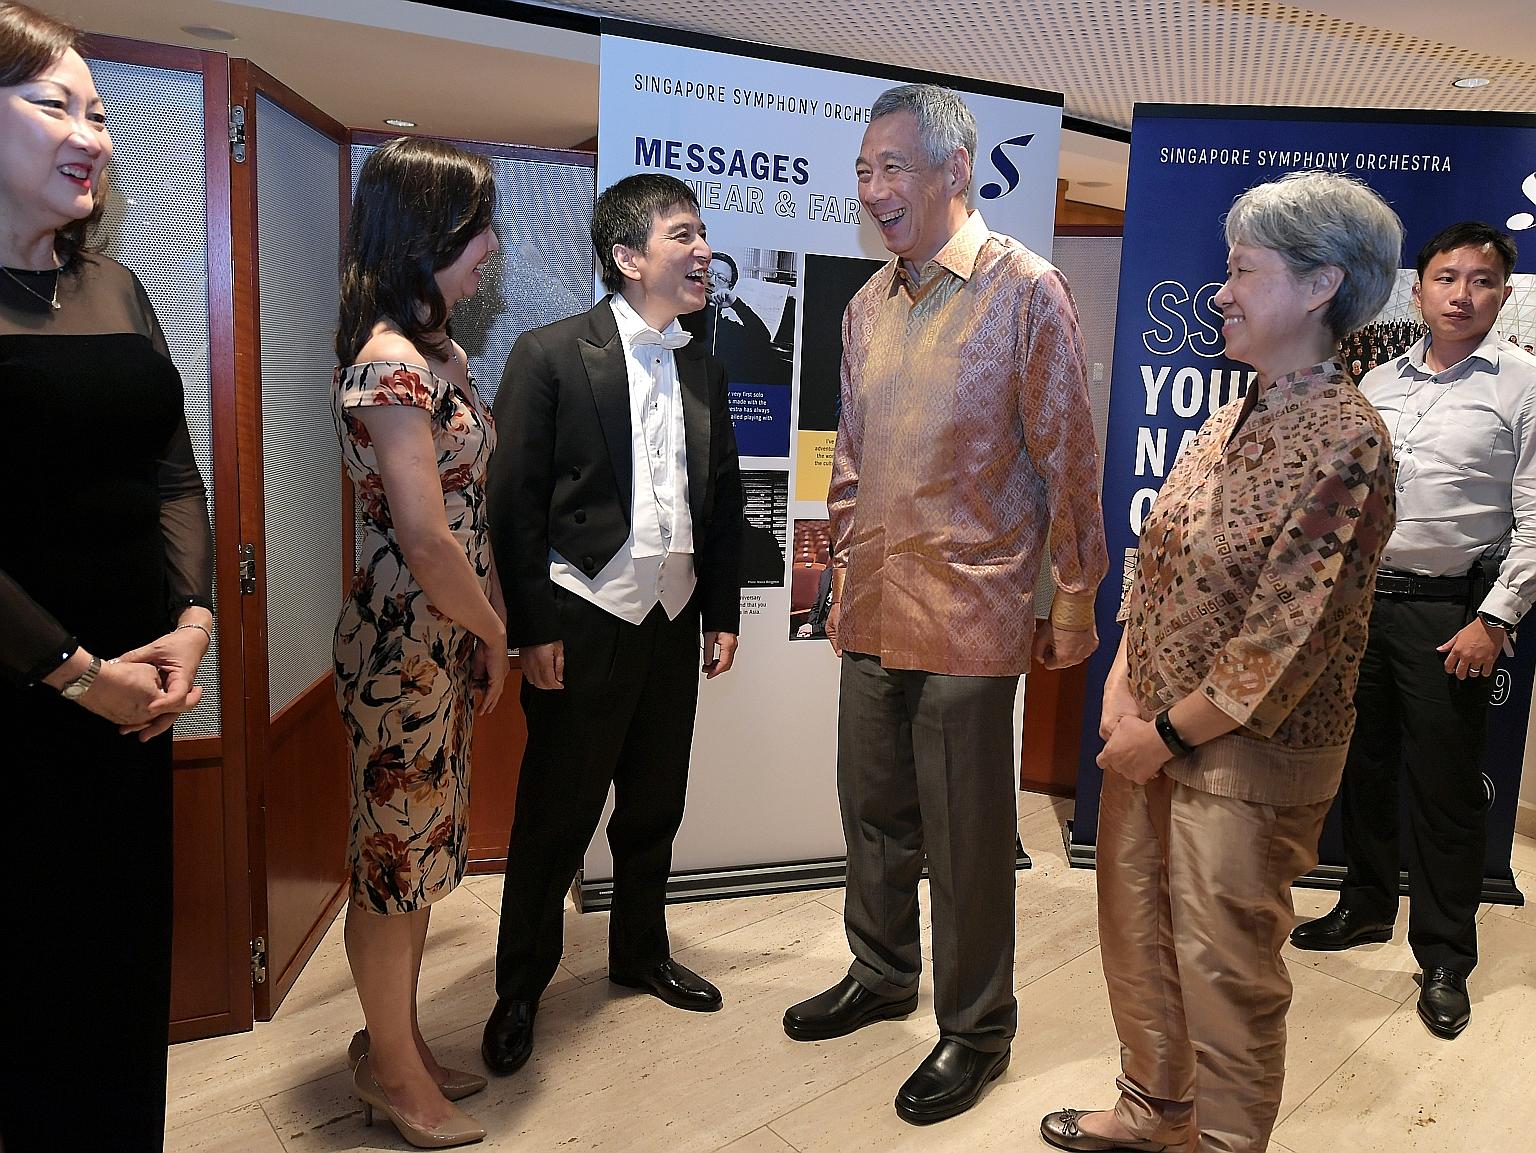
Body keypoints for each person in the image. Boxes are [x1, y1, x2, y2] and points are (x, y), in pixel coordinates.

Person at [1041, 171, 1400, 1153]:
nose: (1220, 289)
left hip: (1244, 757)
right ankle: (1155, 1111)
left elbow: (1284, 640)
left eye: (1243, 270)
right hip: (1149, 729)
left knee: (1225, 973)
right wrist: (1123, 688)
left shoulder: (1346, 439)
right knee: (1139, 938)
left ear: (1321, 285)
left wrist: (1158, 736)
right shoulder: (1234, 411)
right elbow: (1162, 571)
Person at [781, 84, 1108, 1125]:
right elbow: (852, 458)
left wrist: (1074, 594)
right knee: (872, 812)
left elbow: (1072, 459)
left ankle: (976, 1029)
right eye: (864, 170)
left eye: (894, 167)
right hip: (873, 604)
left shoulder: (1027, 291)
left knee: (967, 839)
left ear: (954, 169)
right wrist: (834, 572)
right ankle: (880, 974)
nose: (874, 189)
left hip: (973, 615)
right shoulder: (867, 305)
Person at [0, 5, 214, 1149]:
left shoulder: (117, 287)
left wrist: (191, 617)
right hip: (26, 699)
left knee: (118, 972)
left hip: (139, 703)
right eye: (54, 106)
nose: (93, 134)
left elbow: (169, 468)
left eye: (98, 112)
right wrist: (80, 676)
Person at [482, 172, 743, 1076]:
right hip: (582, 618)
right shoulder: (550, 354)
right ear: (628, 257)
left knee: (653, 805)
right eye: (683, 234)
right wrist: (532, 627)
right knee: (555, 815)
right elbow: (511, 504)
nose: (703, 249)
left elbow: (723, 497)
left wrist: (719, 609)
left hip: (671, 622)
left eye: (702, 232)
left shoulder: (703, 361)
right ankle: (520, 988)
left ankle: (640, 952)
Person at [1290, 222, 1536, 1040]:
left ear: (1503, 293)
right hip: (1360, 605)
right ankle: (1363, 906)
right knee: (1361, 765)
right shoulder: (1379, 378)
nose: (1462, 294)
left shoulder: (1524, 384)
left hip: (1450, 615)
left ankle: (1443, 955)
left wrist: (1494, 619)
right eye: (1445, 277)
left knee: (1443, 790)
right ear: (1419, 289)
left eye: (1481, 280)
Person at [331, 136, 507, 1149]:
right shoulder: (387, 367)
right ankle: (394, 1074)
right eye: (478, 227)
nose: (491, 247)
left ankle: (391, 1043)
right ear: (426, 233)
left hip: (443, 641)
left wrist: (487, 627)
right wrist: (494, 632)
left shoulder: (441, 353)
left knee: (424, 854)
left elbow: (468, 507)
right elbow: (427, 540)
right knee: (392, 863)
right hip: (400, 649)